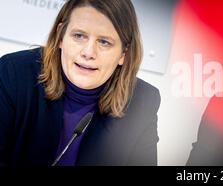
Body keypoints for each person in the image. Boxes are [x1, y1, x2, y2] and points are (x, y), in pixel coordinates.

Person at [0, 0, 160, 166]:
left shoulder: (142, 101)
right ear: (60, 36)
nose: (88, 52)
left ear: (123, 54)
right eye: (79, 36)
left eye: (104, 42)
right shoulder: (14, 73)